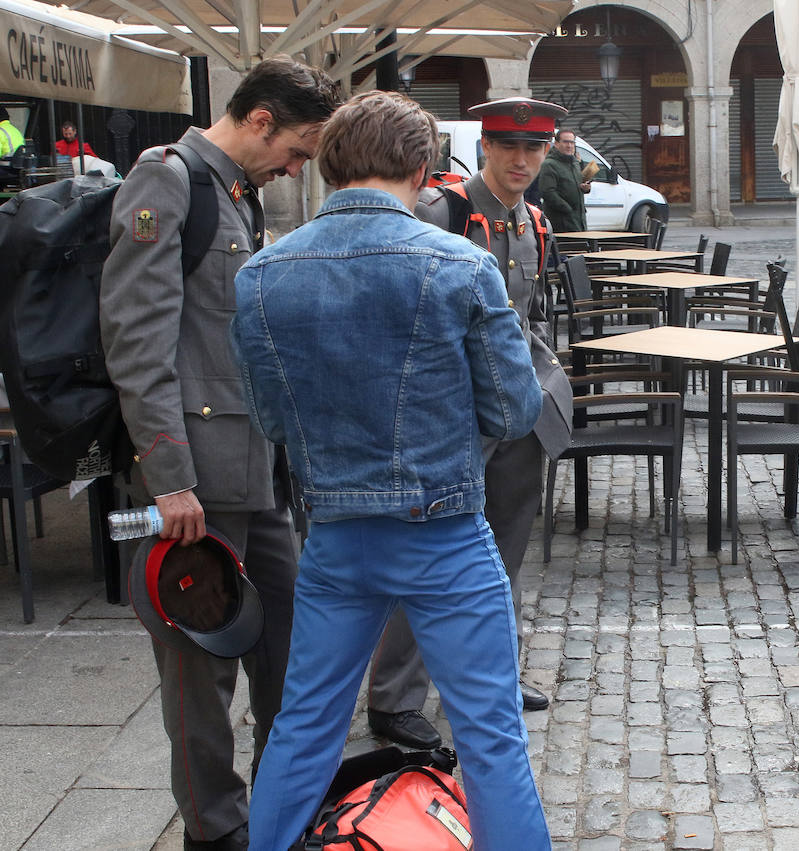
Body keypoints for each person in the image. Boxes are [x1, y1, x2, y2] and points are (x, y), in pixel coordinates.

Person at [236, 89, 550, 851]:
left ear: (331, 160)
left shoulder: (262, 274)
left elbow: (272, 420)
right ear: (422, 167)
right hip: (443, 530)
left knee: (305, 724)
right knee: (489, 736)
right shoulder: (463, 266)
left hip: (338, 534)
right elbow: (515, 412)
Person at [99, 57, 340, 851]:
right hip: (194, 486)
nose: (297, 170)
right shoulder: (168, 180)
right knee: (200, 678)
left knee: (293, 648)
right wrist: (168, 478)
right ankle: (217, 831)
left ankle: (283, 807)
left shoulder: (238, 193)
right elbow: (137, 341)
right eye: (299, 150)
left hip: (257, 473)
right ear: (262, 119)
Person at [365, 96, 574, 742]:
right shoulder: (444, 211)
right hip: (450, 416)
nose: (521, 159)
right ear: (484, 146)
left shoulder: (532, 221)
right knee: (431, 554)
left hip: (516, 411)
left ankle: (493, 676)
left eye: (533, 148)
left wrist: (542, 386)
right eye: (508, 146)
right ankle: (394, 696)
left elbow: (529, 315)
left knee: (503, 554)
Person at [538, 127, 590, 232]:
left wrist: (586, 188)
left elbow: (578, 186)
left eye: (572, 142)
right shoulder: (549, 164)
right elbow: (548, 192)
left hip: (579, 221)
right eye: (566, 142)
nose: (569, 145)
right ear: (556, 144)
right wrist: (568, 209)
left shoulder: (575, 163)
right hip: (561, 223)